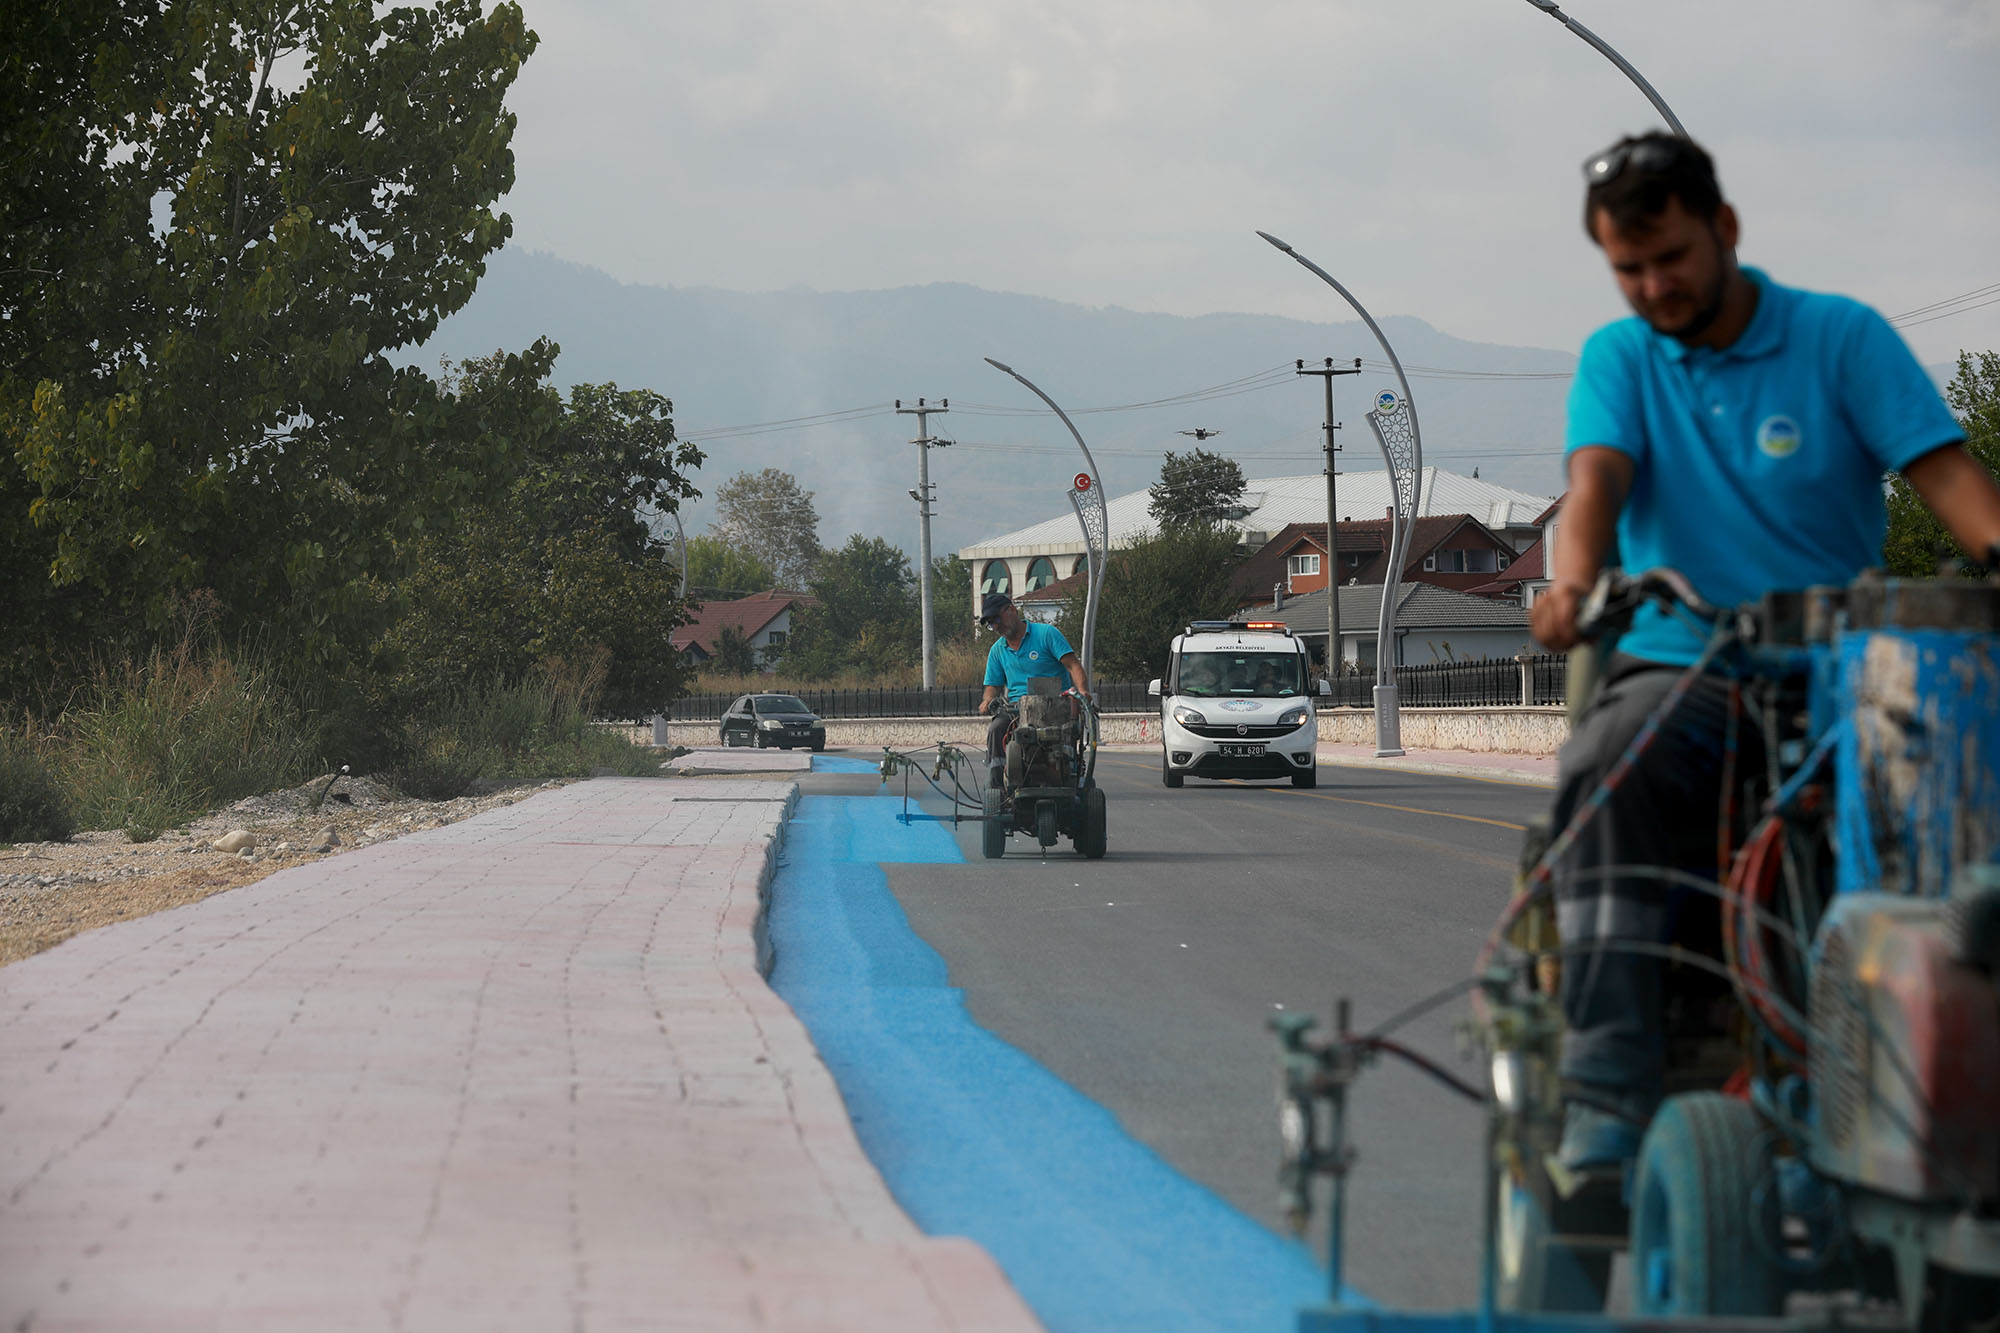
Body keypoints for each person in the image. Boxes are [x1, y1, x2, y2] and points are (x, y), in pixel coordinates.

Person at [1529, 132, 2000, 1171]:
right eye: (1628, 268)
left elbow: (1951, 483)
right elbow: (1595, 484)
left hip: (1853, 675)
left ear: (1724, 231)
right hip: (1685, 664)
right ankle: (1605, 1082)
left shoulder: (1838, 339)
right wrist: (1569, 586)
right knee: (1607, 768)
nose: (1652, 285)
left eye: (1671, 258)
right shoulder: (1621, 359)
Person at [977, 593, 1089, 788]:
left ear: (1011, 610)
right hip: (1015, 711)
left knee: (1063, 735)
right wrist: (987, 701)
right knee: (996, 729)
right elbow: (993, 686)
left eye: (996, 619)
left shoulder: (1046, 634)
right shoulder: (997, 650)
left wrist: (1083, 692)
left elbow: (1073, 665)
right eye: (990, 624)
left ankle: (1066, 774)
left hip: (1056, 707)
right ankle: (999, 788)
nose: (995, 627)